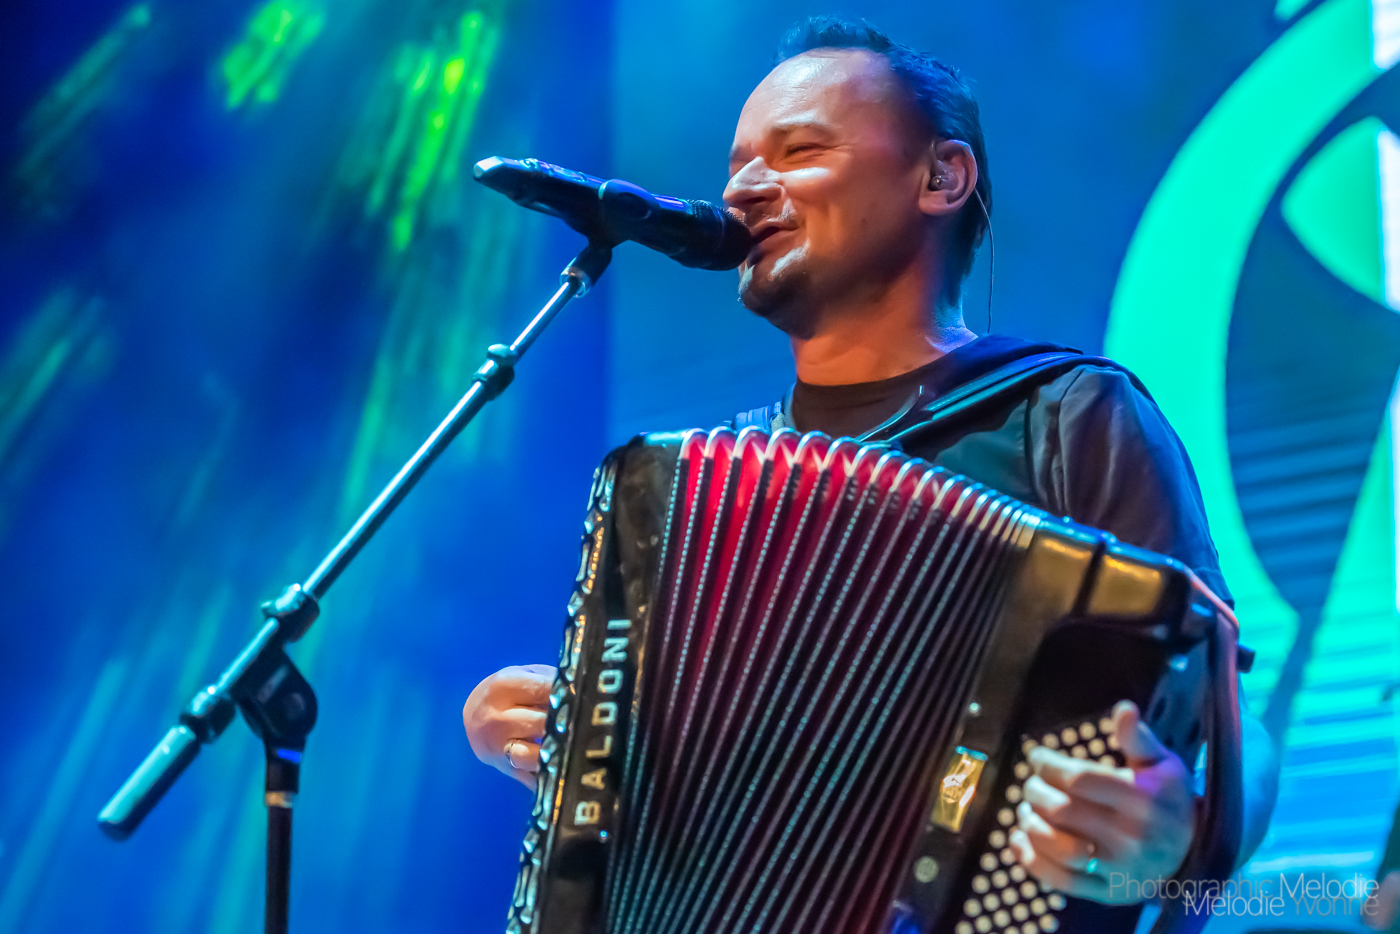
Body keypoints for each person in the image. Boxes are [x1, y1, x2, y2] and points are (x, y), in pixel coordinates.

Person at [462, 14, 1279, 919]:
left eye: (799, 151)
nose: (742, 191)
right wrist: (539, 724)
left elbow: (1230, 720)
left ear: (941, 177)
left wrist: (1183, 832)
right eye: (737, 166)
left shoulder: (1067, 412)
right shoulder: (694, 494)